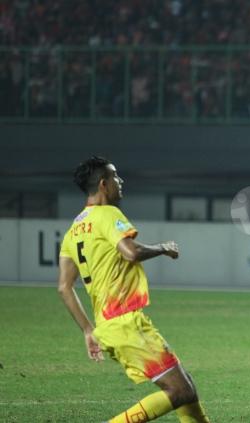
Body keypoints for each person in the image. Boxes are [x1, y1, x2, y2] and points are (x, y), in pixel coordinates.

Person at [57, 156, 210, 423]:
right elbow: (130, 252)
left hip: (108, 325)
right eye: (115, 176)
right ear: (103, 184)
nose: (121, 181)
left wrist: (88, 330)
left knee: (186, 385)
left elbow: (64, 287)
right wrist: (164, 248)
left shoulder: (74, 230)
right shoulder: (107, 214)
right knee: (180, 390)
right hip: (125, 321)